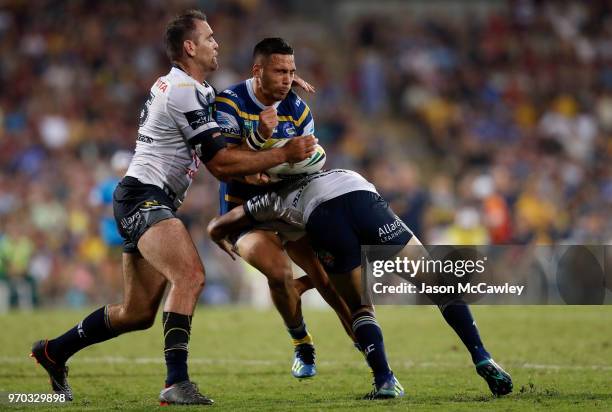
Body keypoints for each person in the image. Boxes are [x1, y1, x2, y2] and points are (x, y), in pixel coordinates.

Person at [30, 10, 317, 406]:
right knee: (191, 275)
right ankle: (175, 382)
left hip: (148, 198)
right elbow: (221, 163)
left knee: (137, 312)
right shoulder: (182, 91)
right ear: (190, 47)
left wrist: (276, 87)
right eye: (210, 37)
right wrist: (283, 152)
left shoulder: (195, 90)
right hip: (143, 196)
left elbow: (232, 104)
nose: (216, 43)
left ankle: (53, 351)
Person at [207, 169, 514, 399]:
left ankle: (384, 380)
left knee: (359, 307)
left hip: (323, 216)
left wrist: (218, 234)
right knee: (437, 284)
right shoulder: (322, 167)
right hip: (360, 193)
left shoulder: (270, 200)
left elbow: (223, 222)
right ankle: (482, 355)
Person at [215, 38, 354, 379]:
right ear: (257, 70)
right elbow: (226, 163)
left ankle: (372, 353)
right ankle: (301, 343)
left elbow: (309, 163)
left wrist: (294, 163)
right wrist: (259, 142)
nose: (288, 79)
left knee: (330, 280)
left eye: (292, 71)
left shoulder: (299, 110)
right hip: (244, 212)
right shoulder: (229, 104)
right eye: (279, 71)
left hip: (288, 206)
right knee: (279, 274)